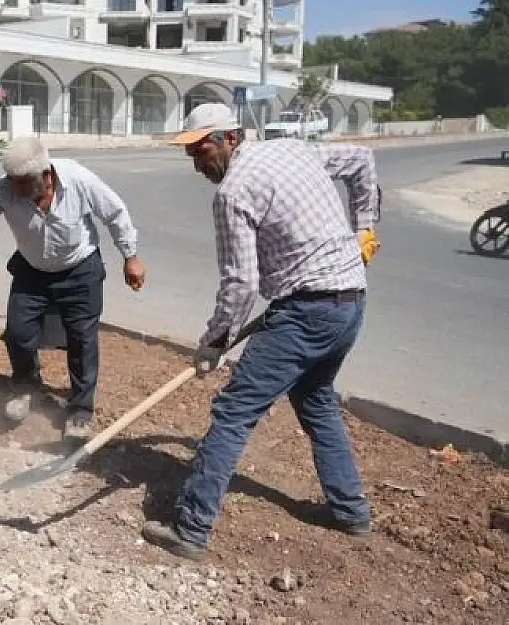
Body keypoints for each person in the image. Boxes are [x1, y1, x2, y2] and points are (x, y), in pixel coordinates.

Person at [140, 102, 382, 561]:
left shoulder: (233, 192)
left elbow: (241, 283)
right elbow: (362, 160)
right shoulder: (293, 150)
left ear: (230, 138)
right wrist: (364, 227)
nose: (197, 163)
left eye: (202, 150)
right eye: (190, 154)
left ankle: (191, 529)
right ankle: (351, 512)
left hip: (307, 310)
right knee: (316, 400)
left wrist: (215, 341)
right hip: (349, 300)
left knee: (233, 412)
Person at [0, 136, 146, 440]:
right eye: (12, 181)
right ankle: (26, 388)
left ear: (46, 176)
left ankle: (81, 411)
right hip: (32, 271)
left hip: (80, 269)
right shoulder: (6, 190)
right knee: (18, 334)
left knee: (82, 339)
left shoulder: (77, 179)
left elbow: (115, 213)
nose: (15, 190)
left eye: (22, 183)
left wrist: (131, 256)